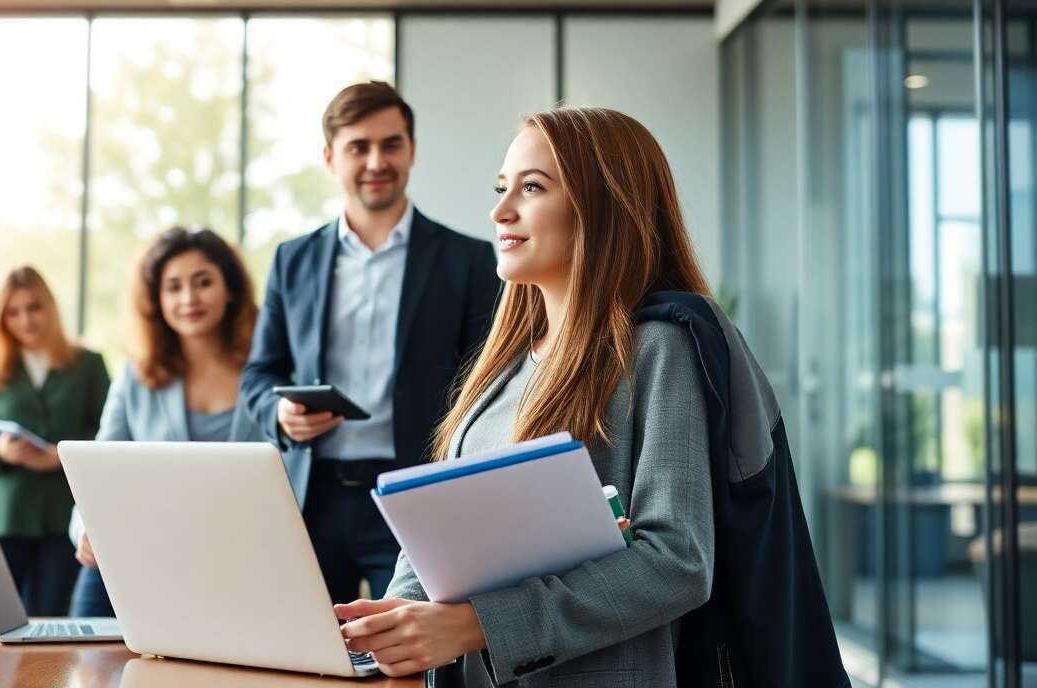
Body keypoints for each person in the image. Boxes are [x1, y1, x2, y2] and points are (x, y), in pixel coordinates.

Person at [334, 108, 848, 687]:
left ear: (602, 206)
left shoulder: (658, 350)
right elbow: (441, 531)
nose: (500, 211)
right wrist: (395, 617)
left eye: (532, 188)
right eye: (503, 189)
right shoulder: (503, 365)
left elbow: (679, 561)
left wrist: (477, 625)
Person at [239, 81, 501, 605]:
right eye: (359, 147)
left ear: (412, 150)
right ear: (331, 157)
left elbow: (489, 383)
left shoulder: (469, 260)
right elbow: (258, 374)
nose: (376, 161)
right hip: (311, 497)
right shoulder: (294, 260)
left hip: (416, 493)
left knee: (411, 656)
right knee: (304, 655)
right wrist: (281, 415)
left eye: (391, 144)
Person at [69, 227, 261, 618]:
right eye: (173, 287)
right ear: (156, 300)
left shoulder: (269, 371)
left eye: (203, 282)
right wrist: (84, 528)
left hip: (237, 559)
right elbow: (96, 468)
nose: (188, 298)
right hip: (139, 556)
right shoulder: (136, 377)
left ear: (231, 289)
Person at [0, 267, 110, 617]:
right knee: (3, 624)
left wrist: (60, 455)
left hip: (63, 517)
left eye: (34, 308)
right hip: (8, 517)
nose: (25, 320)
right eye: (13, 312)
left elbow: (111, 434)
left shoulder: (87, 365)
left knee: (53, 620)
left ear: (50, 308)